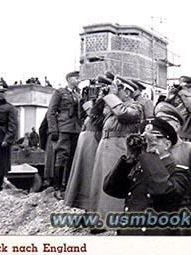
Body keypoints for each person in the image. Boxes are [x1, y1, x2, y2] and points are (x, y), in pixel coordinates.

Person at [104, 117, 191, 235]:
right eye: (144, 138)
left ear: (167, 144)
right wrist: (129, 160)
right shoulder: (139, 169)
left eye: (154, 138)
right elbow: (111, 189)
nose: (147, 142)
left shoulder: (179, 172)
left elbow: (163, 193)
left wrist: (150, 154)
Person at [88, 75, 143, 227]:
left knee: (113, 184)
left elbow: (124, 115)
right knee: (100, 185)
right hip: (104, 147)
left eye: (117, 89)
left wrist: (111, 97)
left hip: (118, 148)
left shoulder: (135, 107)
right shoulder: (113, 109)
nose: (114, 92)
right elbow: (95, 120)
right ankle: (98, 219)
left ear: (127, 92)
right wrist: (100, 101)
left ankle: (112, 220)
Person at [154, 101, 191, 235]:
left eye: (165, 122)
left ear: (176, 126)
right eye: (158, 123)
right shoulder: (152, 151)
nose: (160, 127)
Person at [64, 76, 109, 210]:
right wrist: (99, 101)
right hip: (92, 137)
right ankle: (89, 209)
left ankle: (89, 209)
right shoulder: (94, 102)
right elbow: (94, 119)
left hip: (91, 136)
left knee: (89, 175)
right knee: (88, 175)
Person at [47, 71, 82, 200]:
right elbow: (51, 112)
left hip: (76, 129)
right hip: (63, 128)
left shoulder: (78, 95)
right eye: (76, 78)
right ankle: (57, 188)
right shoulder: (59, 92)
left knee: (72, 158)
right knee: (61, 156)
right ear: (69, 79)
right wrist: (53, 130)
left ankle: (67, 187)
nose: (78, 80)